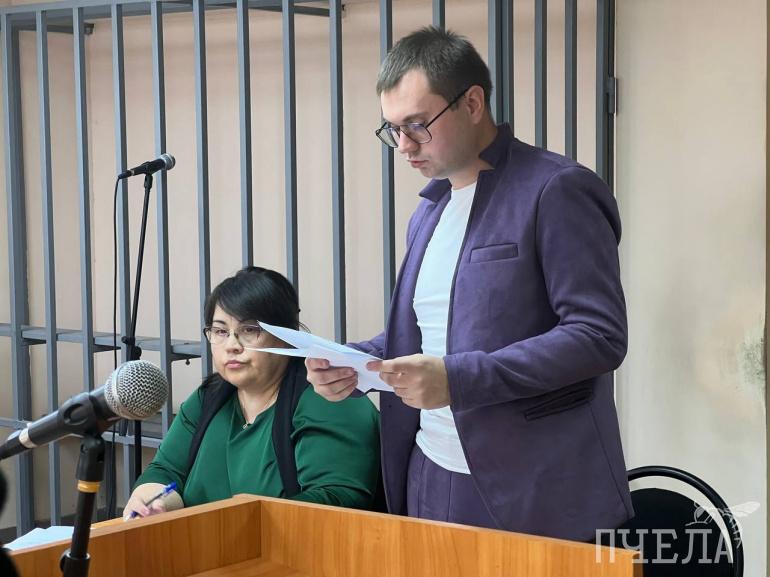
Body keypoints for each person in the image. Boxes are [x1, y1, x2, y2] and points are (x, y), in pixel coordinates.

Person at [306, 26, 633, 542]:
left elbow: (598, 335)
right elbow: (431, 335)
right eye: (392, 129)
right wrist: (357, 363)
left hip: (534, 483)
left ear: (473, 103)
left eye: (417, 125)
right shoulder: (430, 211)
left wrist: (459, 380)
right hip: (430, 468)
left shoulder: (555, 189)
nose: (403, 146)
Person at [124, 266, 380, 519]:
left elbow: (336, 499)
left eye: (249, 330)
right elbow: (166, 471)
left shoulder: (330, 396)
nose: (231, 345)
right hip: (206, 543)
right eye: (220, 331)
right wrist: (153, 502)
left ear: (287, 336)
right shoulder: (209, 398)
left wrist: (237, 525)